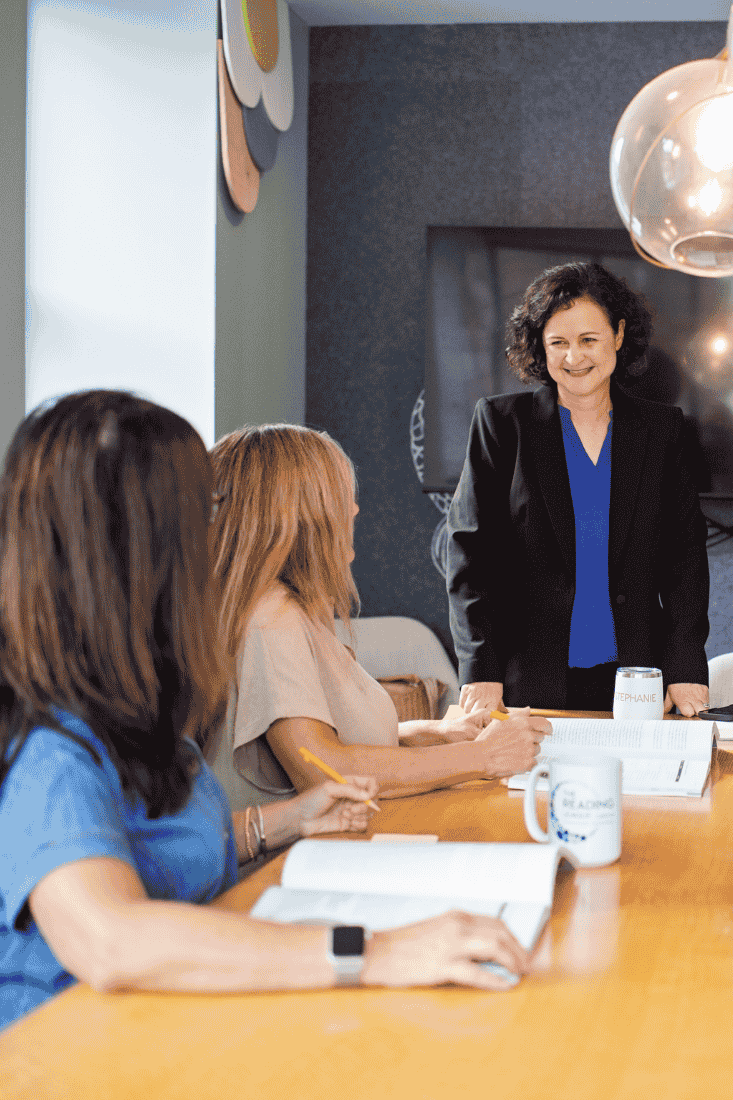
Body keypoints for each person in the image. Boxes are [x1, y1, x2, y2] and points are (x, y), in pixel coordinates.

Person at [0, 392, 529, 1032]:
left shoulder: (129, 706)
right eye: (200, 511)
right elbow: (112, 941)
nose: (217, 531)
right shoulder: (48, 748)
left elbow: (147, 851)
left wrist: (281, 821)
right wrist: (378, 952)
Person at [209, 424, 549, 815]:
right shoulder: (271, 619)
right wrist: (483, 756)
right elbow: (325, 771)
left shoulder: (296, 609)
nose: (354, 510)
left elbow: (347, 739)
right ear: (301, 516)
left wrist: (438, 733)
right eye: (340, 497)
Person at [447, 261, 711, 715]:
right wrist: (480, 668)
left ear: (619, 335)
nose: (574, 357)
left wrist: (686, 667)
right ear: (540, 345)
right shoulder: (502, 424)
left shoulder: (663, 430)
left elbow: (685, 558)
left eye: (589, 340)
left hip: (637, 676)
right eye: (558, 343)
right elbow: (470, 554)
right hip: (524, 678)